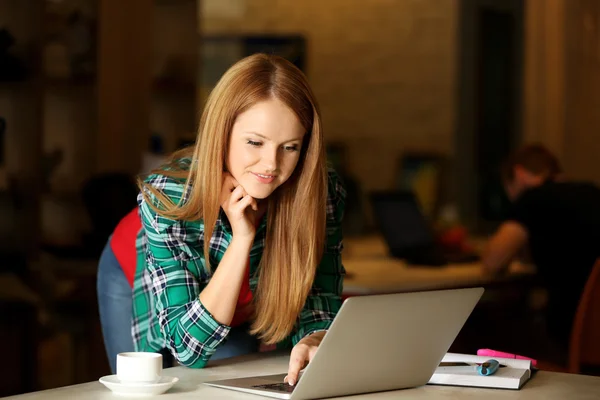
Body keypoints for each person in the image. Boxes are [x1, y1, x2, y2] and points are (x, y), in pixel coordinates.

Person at [97, 53, 346, 386]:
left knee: (233, 378)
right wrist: (242, 237)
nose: (270, 164)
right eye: (254, 142)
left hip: (238, 297)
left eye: (290, 147)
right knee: (145, 385)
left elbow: (319, 294)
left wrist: (316, 336)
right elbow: (188, 348)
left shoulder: (320, 191)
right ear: (222, 133)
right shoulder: (168, 195)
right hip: (133, 269)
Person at [482, 143, 600, 348]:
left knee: (492, 327)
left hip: (573, 337)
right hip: (592, 339)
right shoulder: (592, 192)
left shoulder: (533, 197)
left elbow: (493, 261)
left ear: (518, 175)